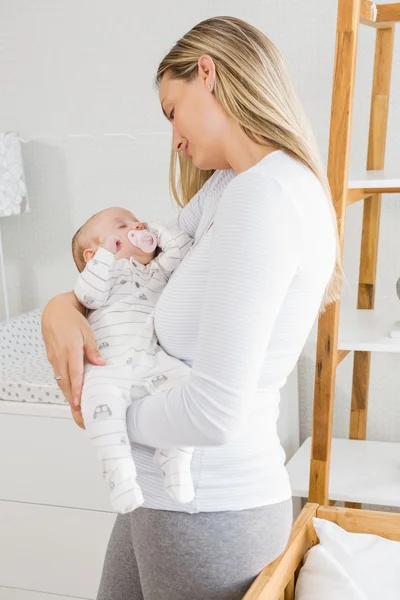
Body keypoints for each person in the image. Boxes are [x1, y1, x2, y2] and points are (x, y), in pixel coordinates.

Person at [41, 15, 341, 600]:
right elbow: (132, 263)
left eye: (171, 111)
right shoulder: (233, 188)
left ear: (208, 73)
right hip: (167, 501)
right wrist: (60, 306)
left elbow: (214, 414)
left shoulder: (264, 197)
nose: (175, 138)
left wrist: (106, 417)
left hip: (206, 509)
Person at [71, 207, 195, 514]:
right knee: (101, 407)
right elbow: (87, 297)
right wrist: (104, 257)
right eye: (121, 225)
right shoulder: (103, 276)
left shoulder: (155, 271)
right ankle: (119, 476)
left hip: (150, 357)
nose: (135, 225)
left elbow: (182, 248)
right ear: (92, 255)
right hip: (107, 364)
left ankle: (175, 457)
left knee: (187, 387)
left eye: (135, 220)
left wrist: (152, 229)